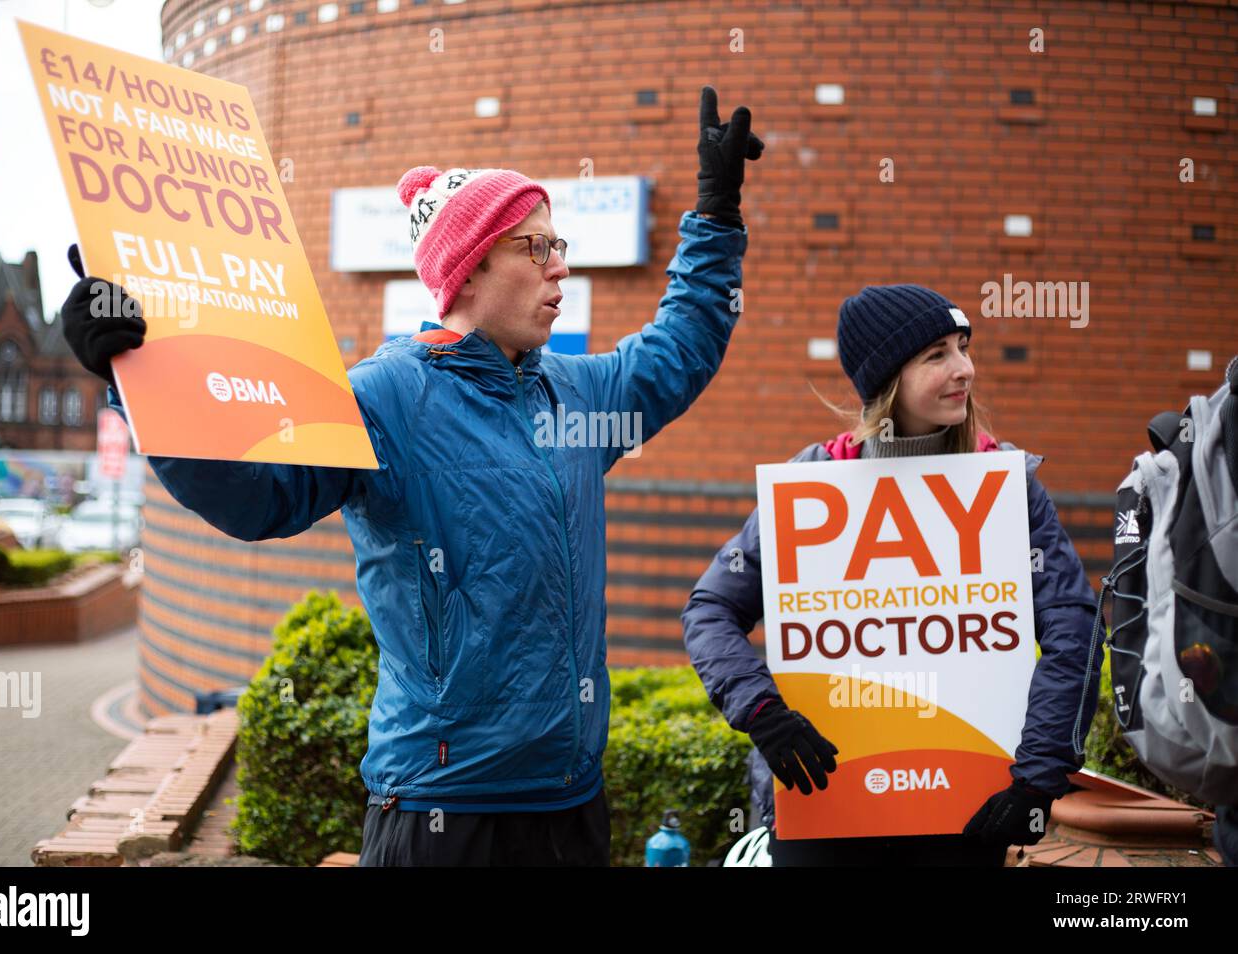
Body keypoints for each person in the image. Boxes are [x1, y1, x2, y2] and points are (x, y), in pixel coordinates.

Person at [59, 86, 763, 866]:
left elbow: (680, 348)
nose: (561, 265)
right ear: (466, 271)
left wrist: (716, 211)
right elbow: (258, 498)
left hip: (570, 805)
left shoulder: (576, 395)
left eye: (559, 245)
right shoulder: (386, 394)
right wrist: (135, 376)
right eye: (537, 247)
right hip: (442, 811)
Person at [681, 284, 1104, 866]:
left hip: (966, 814)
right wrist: (762, 711)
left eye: (963, 347)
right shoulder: (812, 483)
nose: (964, 369)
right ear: (886, 382)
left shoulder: (1007, 486)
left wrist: (1036, 778)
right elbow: (710, 608)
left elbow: (1073, 631)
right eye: (937, 355)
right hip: (822, 809)